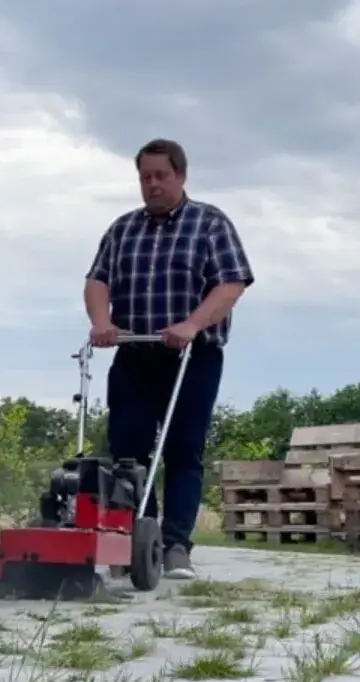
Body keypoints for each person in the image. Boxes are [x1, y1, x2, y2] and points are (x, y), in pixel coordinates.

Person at [83, 138, 254, 580]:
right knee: (128, 451)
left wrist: (192, 324)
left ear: (180, 175)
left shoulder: (210, 223)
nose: (153, 184)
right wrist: (103, 322)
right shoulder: (122, 229)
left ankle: (177, 546)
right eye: (145, 177)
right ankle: (142, 541)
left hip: (190, 357)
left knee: (182, 451)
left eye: (161, 176)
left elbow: (230, 284)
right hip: (135, 354)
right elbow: (97, 281)